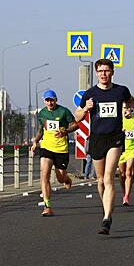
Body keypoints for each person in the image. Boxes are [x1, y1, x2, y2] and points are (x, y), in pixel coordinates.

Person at [75, 59, 134, 235]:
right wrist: (85, 108)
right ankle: (106, 206)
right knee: (100, 180)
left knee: (108, 177)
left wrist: (128, 110)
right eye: (100, 71)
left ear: (112, 72)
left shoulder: (120, 90)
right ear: (96, 73)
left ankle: (107, 218)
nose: (103, 74)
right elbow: (77, 116)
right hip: (97, 139)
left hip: (115, 137)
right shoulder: (90, 93)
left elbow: (131, 101)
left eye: (107, 71)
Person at [32, 89, 78, 217]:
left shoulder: (63, 111)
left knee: (60, 177)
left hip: (61, 148)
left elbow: (75, 125)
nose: (50, 102)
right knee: (44, 175)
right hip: (46, 147)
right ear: (44, 101)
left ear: (56, 99)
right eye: (47, 100)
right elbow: (41, 129)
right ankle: (47, 206)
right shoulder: (42, 113)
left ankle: (66, 178)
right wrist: (35, 141)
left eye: (52, 100)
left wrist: (66, 131)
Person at [118, 103, 134, 206]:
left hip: (132, 148)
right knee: (122, 174)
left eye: (128, 108)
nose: (126, 110)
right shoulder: (118, 119)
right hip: (120, 148)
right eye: (124, 108)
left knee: (128, 172)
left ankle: (127, 196)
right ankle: (124, 193)